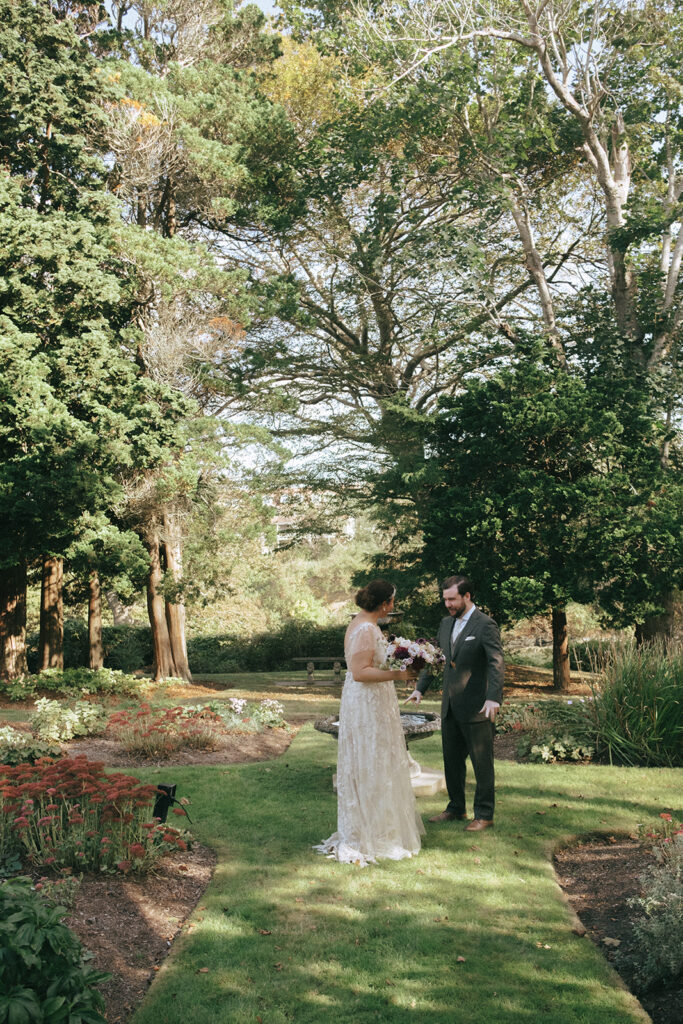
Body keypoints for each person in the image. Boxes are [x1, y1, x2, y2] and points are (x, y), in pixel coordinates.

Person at [314, 579, 425, 866]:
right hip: (366, 702)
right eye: (392, 601)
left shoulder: (364, 624)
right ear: (385, 603)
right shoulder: (365, 628)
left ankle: (379, 825)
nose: (393, 606)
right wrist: (400, 676)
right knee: (370, 759)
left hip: (370, 699)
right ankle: (370, 833)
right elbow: (361, 672)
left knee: (376, 759)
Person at [407, 575, 504, 832]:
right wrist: (420, 689)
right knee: (451, 761)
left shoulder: (485, 624)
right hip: (450, 706)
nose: (448, 604)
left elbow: (496, 662)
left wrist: (493, 697)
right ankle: (456, 809)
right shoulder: (445, 624)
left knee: (482, 763)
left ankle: (484, 814)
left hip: (478, 707)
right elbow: (436, 658)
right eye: (445, 599)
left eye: (452, 599)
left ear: (467, 596)